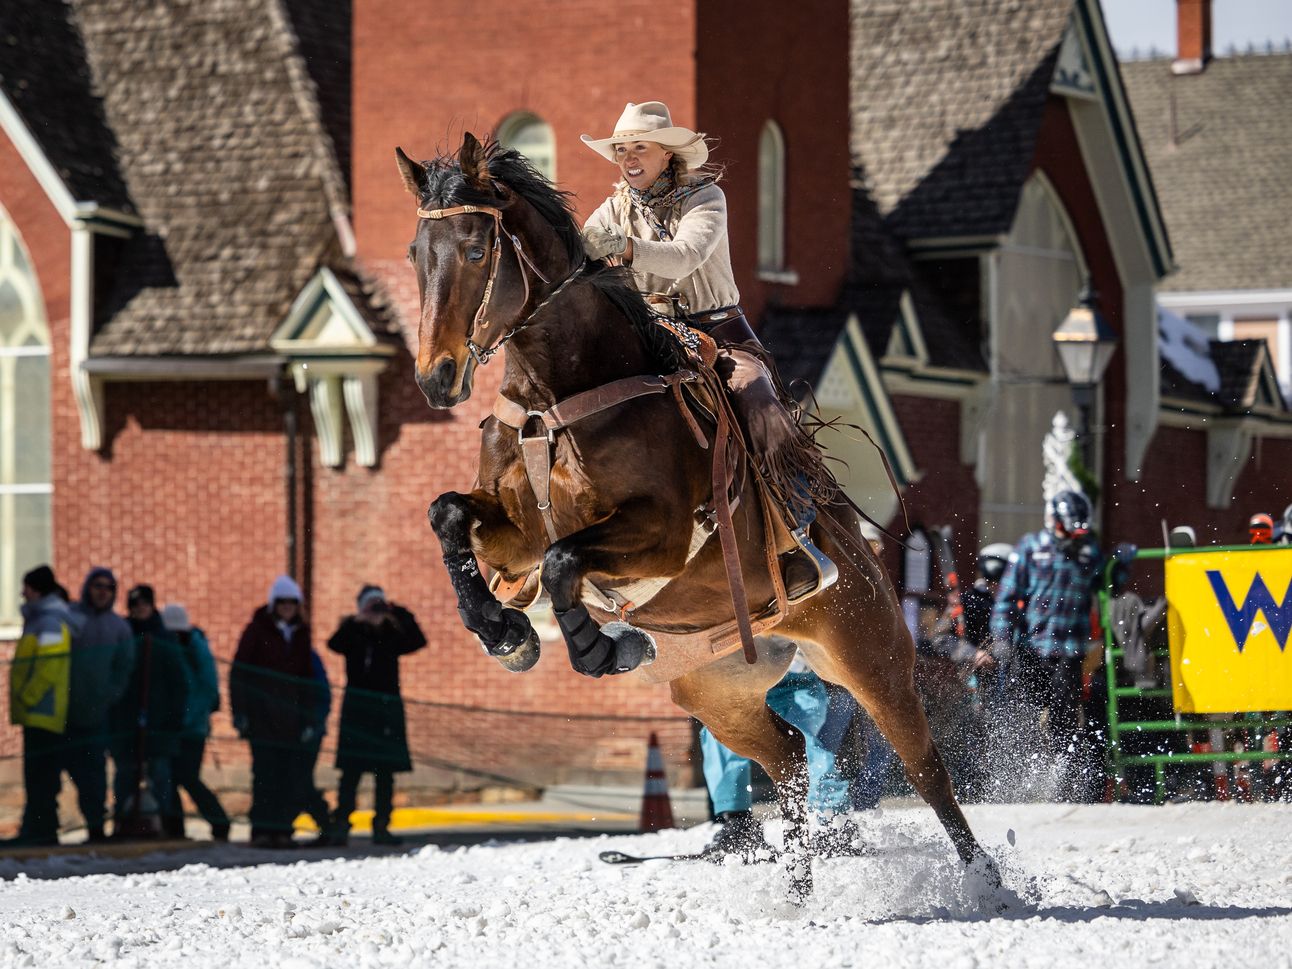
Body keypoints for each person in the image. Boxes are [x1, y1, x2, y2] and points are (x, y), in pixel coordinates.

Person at [579, 101, 838, 600]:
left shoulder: (706, 198)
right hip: (650, 333)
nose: (629, 158)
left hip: (719, 332)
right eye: (622, 150)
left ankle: (798, 538)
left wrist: (623, 248)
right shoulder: (611, 209)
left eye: (640, 148)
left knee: (758, 400)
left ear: (667, 155)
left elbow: (685, 257)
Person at [989, 490, 1105, 801]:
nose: (1074, 537)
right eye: (1069, 529)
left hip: (1068, 651)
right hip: (1031, 647)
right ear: (1053, 521)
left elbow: (1104, 588)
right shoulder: (1030, 548)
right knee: (1022, 713)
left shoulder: (1088, 552)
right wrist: (1001, 637)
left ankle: (1060, 777)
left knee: (1064, 717)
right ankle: (1017, 776)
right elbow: (1008, 598)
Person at [698, 647, 857, 862]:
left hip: (797, 688)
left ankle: (835, 819)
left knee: (804, 744)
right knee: (719, 734)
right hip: (744, 688)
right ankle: (738, 823)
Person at [327, 585, 427, 846]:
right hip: (357, 712)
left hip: (386, 712)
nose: (375, 611)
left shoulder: (392, 633)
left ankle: (381, 826)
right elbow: (334, 644)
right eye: (371, 605)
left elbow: (418, 641)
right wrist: (357, 620)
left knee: (385, 774)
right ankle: (341, 825)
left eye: (378, 605)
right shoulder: (353, 631)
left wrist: (396, 611)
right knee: (351, 773)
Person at [230, 575, 317, 848]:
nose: (288, 607)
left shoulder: (302, 634)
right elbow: (239, 673)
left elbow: (307, 680)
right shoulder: (256, 631)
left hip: (290, 719)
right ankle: (262, 830)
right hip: (262, 716)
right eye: (283, 603)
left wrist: (308, 719)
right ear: (274, 604)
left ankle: (283, 830)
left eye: (293, 603)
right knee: (265, 776)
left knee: (288, 776)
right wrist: (240, 712)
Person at [6, 566, 77, 846]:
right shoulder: (41, 619)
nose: (22, 593)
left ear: (36, 589)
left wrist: (29, 696)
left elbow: (51, 665)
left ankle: (40, 831)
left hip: (43, 711)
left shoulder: (49, 622)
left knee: (41, 776)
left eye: (26, 587)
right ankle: (36, 829)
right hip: (36, 711)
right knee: (38, 775)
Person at [111, 585, 190, 838]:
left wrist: (173, 718)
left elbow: (179, 683)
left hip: (160, 721)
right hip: (126, 720)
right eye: (135, 604)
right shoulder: (123, 634)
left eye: (144, 603)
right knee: (125, 774)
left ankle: (163, 825)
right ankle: (122, 824)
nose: (140, 608)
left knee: (160, 775)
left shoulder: (165, 637)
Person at [160, 604, 229, 841]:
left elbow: (208, 688)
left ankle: (220, 822)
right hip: (173, 725)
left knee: (187, 776)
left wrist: (188, 717)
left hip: (193, 727)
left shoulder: (195, 647)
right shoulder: (169, 647)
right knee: (169, 777)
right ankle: (175, 828)